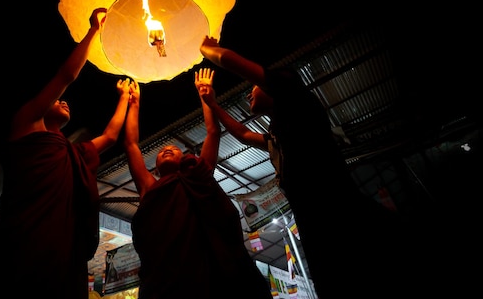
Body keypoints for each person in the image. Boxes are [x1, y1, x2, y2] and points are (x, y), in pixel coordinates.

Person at [199, 35, 431, 298]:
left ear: (278, 89)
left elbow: (239, 65)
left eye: (256, 86)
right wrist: (213, 105)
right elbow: (242, 134)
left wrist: (209, 50)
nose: (252, 89)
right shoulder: (277, 139)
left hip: (344, 220)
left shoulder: (301, 107)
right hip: (319, 230)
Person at [0, 8, 132, 298]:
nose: (63, 102)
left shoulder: (73, 153)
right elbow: (67, 74)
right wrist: (93, 30)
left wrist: (126, 98)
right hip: (20, 241)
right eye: (58, 100)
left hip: (61, 256)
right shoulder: (26, 125)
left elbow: (111, 136)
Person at [123, 68, 272, 299]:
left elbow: (213, 132)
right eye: (162, 152)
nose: (168, 149)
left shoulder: (198, 174)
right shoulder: (149, 188)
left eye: (174, 149)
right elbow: (131, 144)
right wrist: (133, 105)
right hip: (169, 278)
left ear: (186, 159)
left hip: (218, 272)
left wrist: (206, 98)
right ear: (155, 170)